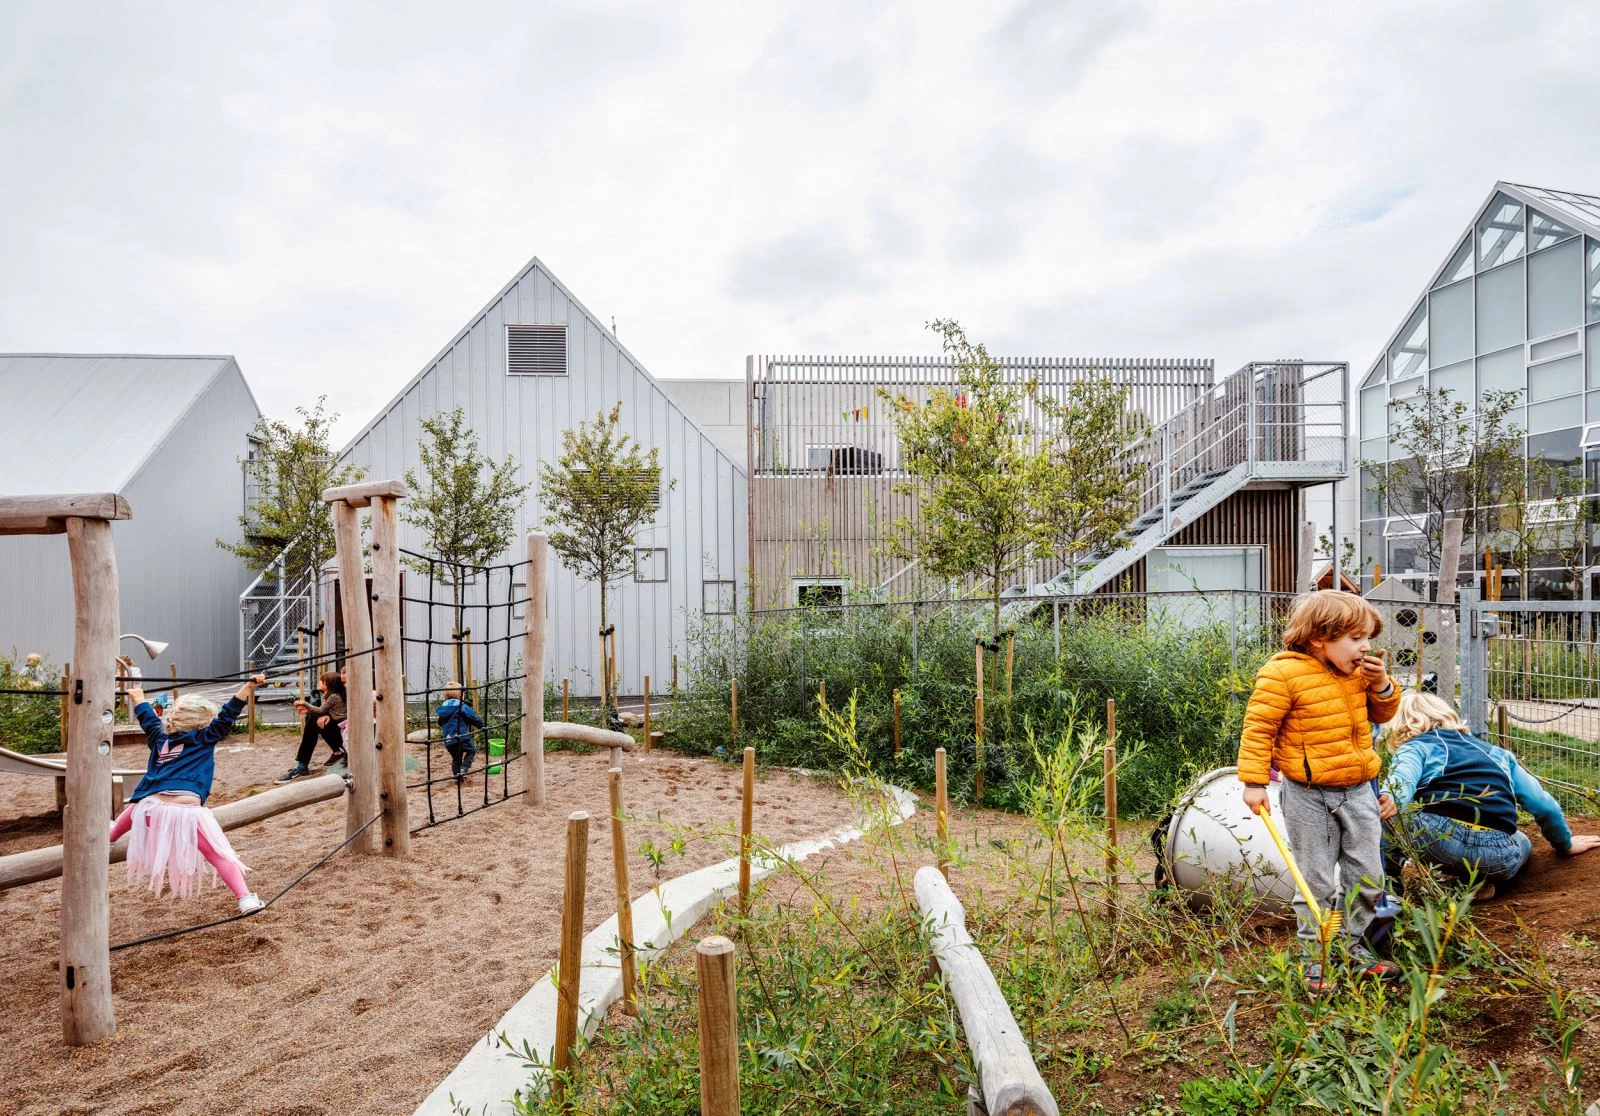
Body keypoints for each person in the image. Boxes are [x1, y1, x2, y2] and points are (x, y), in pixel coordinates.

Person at [1238, 590, 1402, 992]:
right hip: (1308, 795)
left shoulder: (1359, 674)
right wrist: (1254, 781)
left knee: (1367, 876)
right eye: (1355, 638)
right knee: (1317, 880)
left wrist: (1383, 686)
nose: (1365, 648)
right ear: (1318, 637)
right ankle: (1318, 960)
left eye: (1367, 638)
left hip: (1359, 790)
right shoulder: (1282, 674)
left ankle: (1351, 948)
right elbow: (1259, 728)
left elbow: (1383, 712)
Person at [1380, 691, 1600, 896]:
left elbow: (1398, 790)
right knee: (1522, 840)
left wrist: (1386, 801)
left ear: (1399, 725)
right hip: (1498, 856)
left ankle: (1393, 888)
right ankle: (1470, 885)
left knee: (1387, 814)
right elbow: (1544, 805)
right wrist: (1566, 844)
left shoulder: (1415, 747)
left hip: (1439, 842)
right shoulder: (1498, 754)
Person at [112, 662, 267, 915]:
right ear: (200, 726)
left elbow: (148, 720)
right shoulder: (204, 738)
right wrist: (248, 686)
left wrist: (138, 697)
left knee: (137, 808)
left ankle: (110, 835)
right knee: (219, 854)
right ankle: (245, 898)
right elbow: (227, 715)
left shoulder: (159, 738)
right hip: (186, 813)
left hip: (151, 810)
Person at [275, 672, 347, 783]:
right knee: (315, 721)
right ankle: (334, 752)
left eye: (322, 681)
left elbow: (321, 710)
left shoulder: (334, 696)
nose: (319, 682)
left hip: (343, 728)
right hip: (338, 726)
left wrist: (305, 704)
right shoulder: (327, 695)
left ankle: (303, 766)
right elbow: (325, 711)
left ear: (329, 684)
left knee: (314, 721)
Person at [436, 683, 484, 778]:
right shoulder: (461, 706)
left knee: (456, 758)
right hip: (462, 737)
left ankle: (457, 778)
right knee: (471, 750)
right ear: (460, 694)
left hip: (449, 740)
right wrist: (482, 726)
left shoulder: (443, 708)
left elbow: (440, 722)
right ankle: (464, 768)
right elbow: (473, 717)